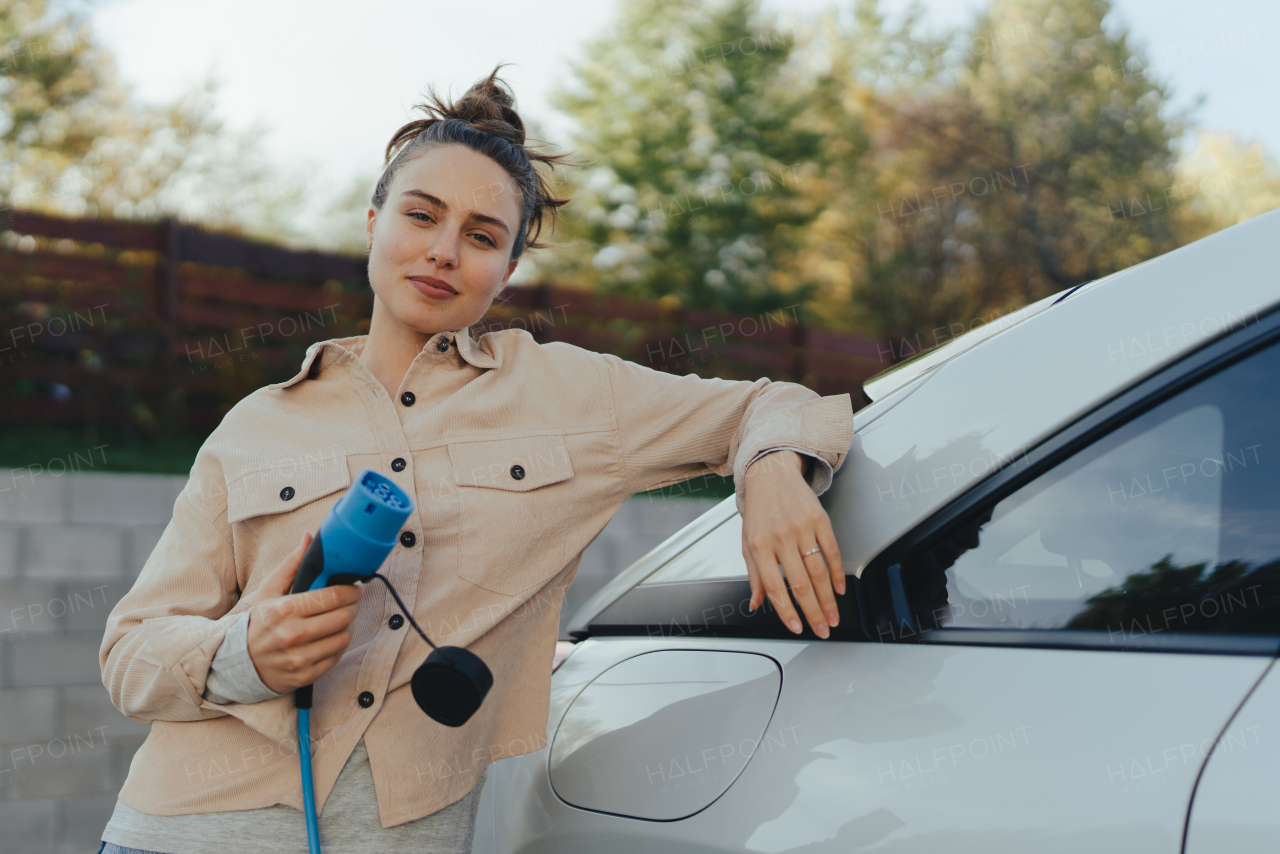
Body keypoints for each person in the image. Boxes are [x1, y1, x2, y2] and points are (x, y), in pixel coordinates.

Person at [97, 66, 854, 854]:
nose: (444, 252)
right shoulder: (255, 424)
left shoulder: (573, 395)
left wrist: (770, 469)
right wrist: (244, 652)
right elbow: (129, 653)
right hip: (176, 831)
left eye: (483, 236)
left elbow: (781, 401)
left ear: (510, 270)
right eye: (421, 216)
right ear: (372, 222)